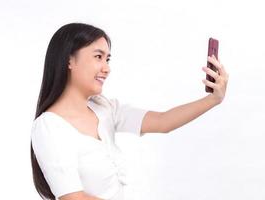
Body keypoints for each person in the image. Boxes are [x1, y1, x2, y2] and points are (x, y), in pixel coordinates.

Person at [30, 22, 229, 200]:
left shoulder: (104, 108)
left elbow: (163, 121)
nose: (106, 68)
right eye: (98, 57)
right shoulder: (49, 126)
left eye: (108, 59)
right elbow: (73, 198)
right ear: (69, 60)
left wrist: (213, 99)